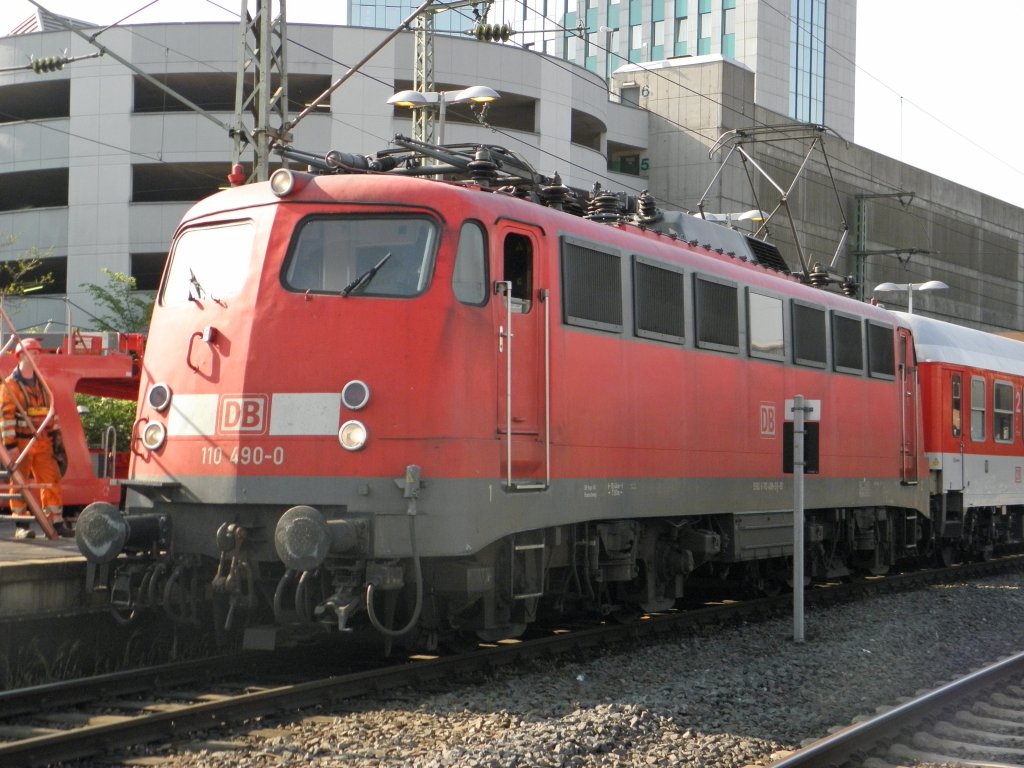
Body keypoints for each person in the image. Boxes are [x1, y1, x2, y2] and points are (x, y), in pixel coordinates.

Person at [0, 338, 69, 539]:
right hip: (21, 442)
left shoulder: (44, 383)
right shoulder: (10, 386)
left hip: (43, 441)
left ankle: (55, 520)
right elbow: (6, 418)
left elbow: (52, 413)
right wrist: (10, 446)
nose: (37, 356)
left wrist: (57, 440)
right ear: (20, 356)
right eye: (33, 353)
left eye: (39, 353)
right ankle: (21, 524)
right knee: (20, 483)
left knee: (52, 479)